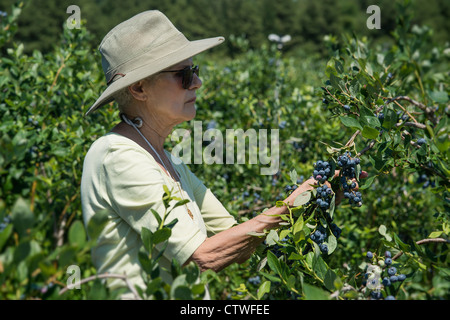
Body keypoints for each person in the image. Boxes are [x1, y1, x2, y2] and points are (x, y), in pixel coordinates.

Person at [81, 10, 362, 299]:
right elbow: (202, 258)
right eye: (184, 75)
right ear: (139, 88)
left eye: (195, 71)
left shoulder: (166, 159)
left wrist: (317, 200)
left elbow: (239, 239)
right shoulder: (118, 157)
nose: (197, 83)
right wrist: (290, 206)